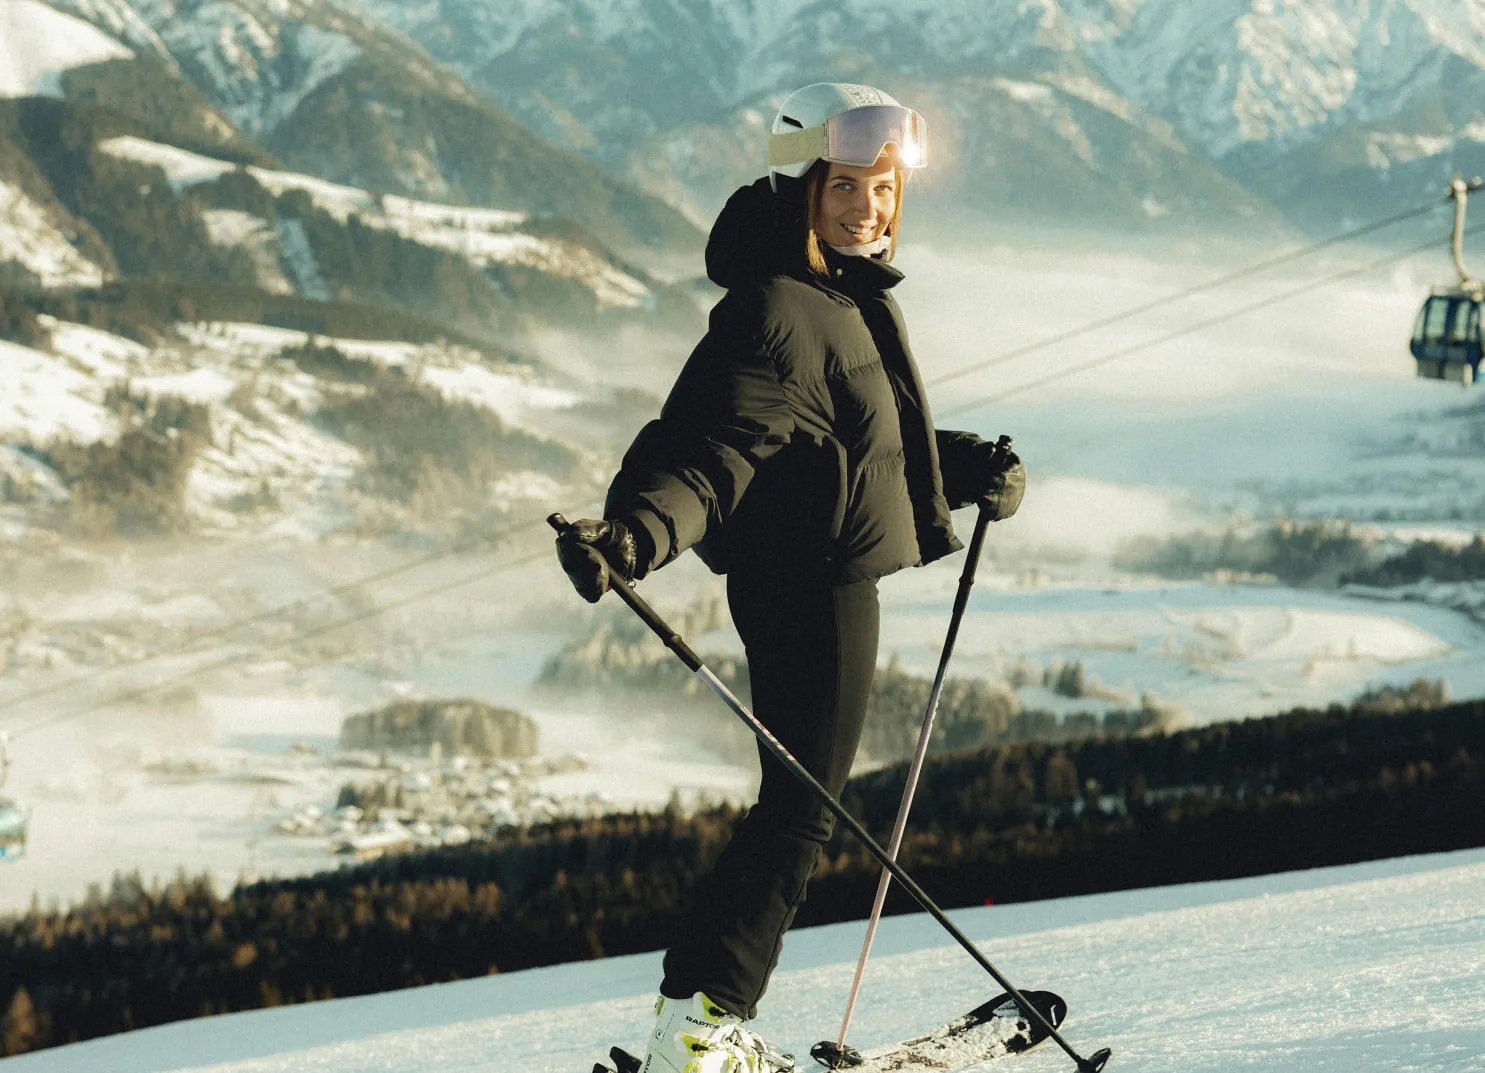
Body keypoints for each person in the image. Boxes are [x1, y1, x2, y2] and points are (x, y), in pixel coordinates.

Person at [555, 82, 1026, 1073]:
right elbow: (712, 453)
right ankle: (706, 1022)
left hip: (812, 575)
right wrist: (633, 536)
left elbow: (851, 439)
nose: (868, 206)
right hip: (809, 587)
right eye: (846, 185)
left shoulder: (828, 292)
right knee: (803, 811)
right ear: (803, 185)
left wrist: (968, 466)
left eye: (884, 186)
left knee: (791, 801)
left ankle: (689, 1013)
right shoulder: (782, 306)